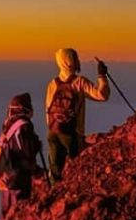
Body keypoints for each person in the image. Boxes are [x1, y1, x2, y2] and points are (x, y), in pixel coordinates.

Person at [45, 48, 109, 181]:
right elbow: (102, 95)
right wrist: (102, 76)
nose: (78, 61)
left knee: (56, 169)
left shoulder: (52, 84)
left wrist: (54, 126)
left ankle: (54, 194)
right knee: (77, 167)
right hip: (72, 133)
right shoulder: (79, 82)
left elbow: (48, 109)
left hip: (53, 131)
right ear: (69, 61)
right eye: (75, 58)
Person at [0, 93, 43, 217]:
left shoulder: (8, 124)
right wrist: (37, 144)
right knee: (19, 210)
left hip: (6, 173)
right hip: (19, 174)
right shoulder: (24, 125)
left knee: (6, 209)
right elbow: (28, 150)